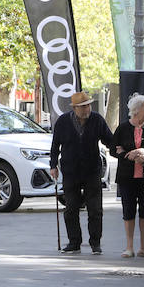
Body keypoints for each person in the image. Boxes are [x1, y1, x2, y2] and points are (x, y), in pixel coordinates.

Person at [49, 91, 115, 254]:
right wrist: (53, 165)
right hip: (70, 171)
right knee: (71, 208)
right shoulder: (63, 121)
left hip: (92, 170)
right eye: (83, 107)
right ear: (75, 108)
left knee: (95, 209)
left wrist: (119, 148)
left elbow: (109, 139)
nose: (87, 109)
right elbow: (55, 145)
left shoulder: (96, 119)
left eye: (88, 105)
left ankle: (95, 242)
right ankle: (74, 241)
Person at [112, 93, 144, 258]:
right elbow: (114, 149)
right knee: (128, 212)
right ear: (136, 110)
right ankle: (129, 247)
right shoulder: (123, 128)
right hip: (127, 178)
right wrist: (128, 155)